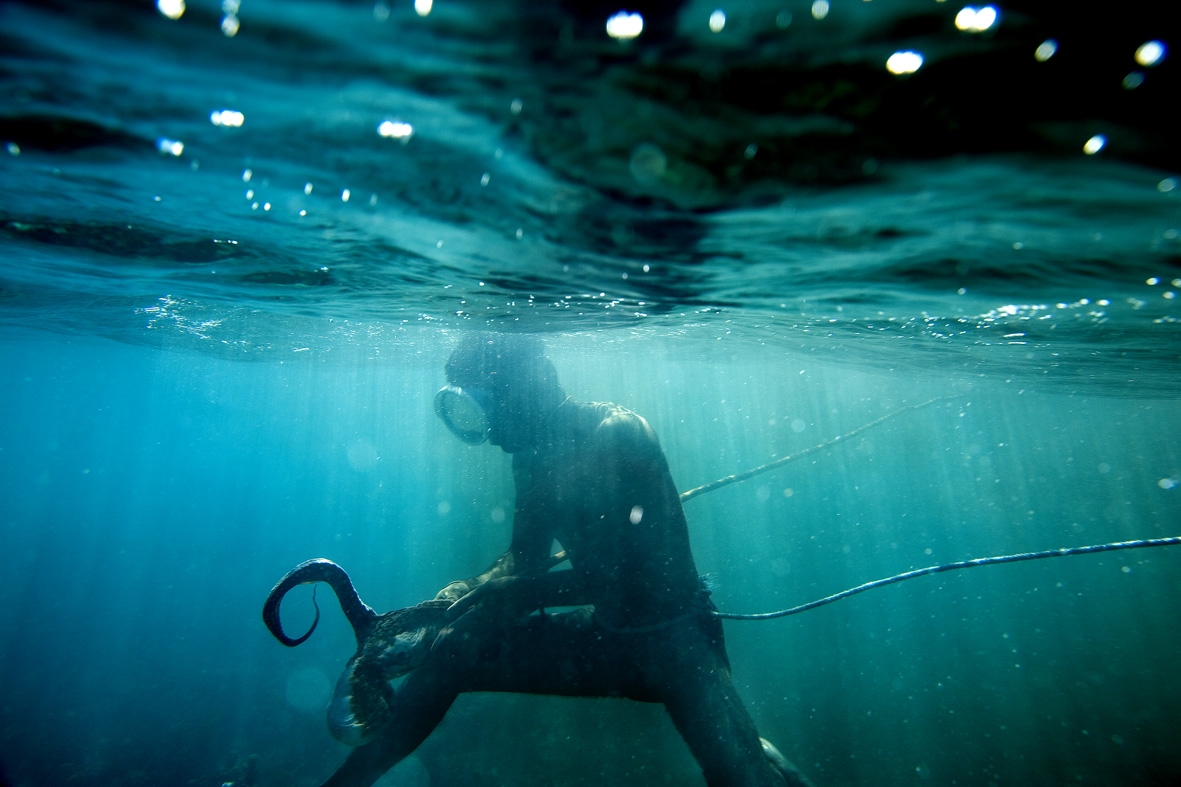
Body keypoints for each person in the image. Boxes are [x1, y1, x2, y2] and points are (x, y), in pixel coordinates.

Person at [321, 334, 813, 787]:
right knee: (454, 650)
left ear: (527, 387)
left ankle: (751, 750)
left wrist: (517, 592)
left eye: (489, 408)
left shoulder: (617, 433)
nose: (489, 434)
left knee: (741, 776)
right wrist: (463, 593)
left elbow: (643, 577)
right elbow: (523, 558)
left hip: (679, 643)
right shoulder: (530, 457)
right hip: (607, 637)